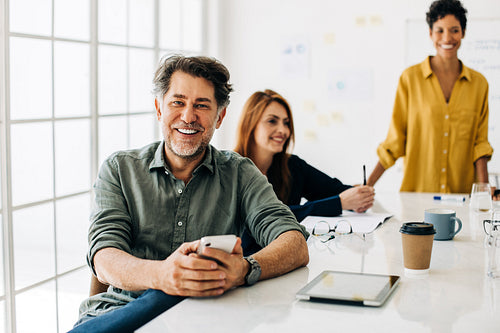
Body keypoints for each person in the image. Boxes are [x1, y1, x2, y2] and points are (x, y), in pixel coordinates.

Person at [71, 55, 309, 332]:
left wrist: (244, 270)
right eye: (178, 102)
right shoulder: (119, 169)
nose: (188, 116)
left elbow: (294, 243)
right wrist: (162, 275)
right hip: (118, 311)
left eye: (201, 105)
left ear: (219, 116)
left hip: (203, 317)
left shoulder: (241, 173)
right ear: (159, 108)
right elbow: (104, 256)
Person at [367, 0, 494, 194]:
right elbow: (395, 140)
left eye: (454, 30)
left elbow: (480, 144)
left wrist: (484, 192)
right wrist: (367, 186)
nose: (447, 38)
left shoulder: (479, 84)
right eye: (440, 30)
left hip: (461, 197)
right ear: (430, 33)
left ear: (463, 32)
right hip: (417, 195)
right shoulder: (410, 79)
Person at [234, 90, 375, 254]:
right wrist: (339, 203)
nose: (283, 130)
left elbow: (335, 190)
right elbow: (270, 217)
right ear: (250, 124)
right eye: (272, 121)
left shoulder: (292, 166)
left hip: (290, 259)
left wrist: (359, 196)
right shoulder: (231, 170)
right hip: (248, 262)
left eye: (286, 123)